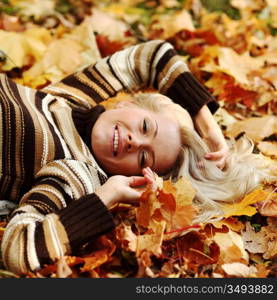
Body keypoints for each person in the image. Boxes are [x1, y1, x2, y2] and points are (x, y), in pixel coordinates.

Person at [0, 39, 267, 275]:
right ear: (127, 103)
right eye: (145, 127)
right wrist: (207, 126)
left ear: (135, 177)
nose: (134, 141)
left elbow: (18, 248)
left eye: (143, 158)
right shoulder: (72, 99)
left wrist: (107, 197)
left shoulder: (77, 171)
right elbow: (154, 55)